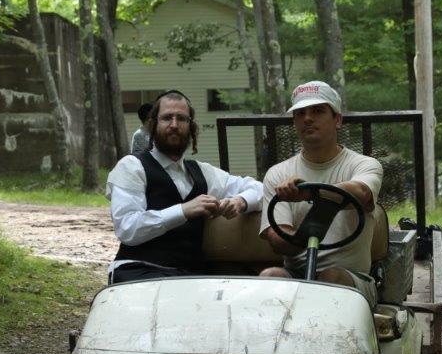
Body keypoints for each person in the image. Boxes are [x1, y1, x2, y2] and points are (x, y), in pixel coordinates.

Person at [106, 90, 264, 284]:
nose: (174, 125)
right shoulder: (131, 166)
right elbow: (127, 228)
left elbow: (261, 189)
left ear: (191, 127)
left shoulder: (203, 172)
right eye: (167, 118)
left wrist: (241, 201)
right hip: (139, 272)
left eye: (181, 118)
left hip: (189, 278)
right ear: (153, 124)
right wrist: (183, 210)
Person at [258, 81, 383, 306]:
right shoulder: (277, 174)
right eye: (300, 113)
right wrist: (307, 232)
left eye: (317, 111)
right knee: (269, 278)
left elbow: (362, 193)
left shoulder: (364, 165)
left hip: (352, 279)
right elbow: (278, 241)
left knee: (331, 277)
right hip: (296, 276)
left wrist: (308, 193)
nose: (307, 118)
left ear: (337, 119)